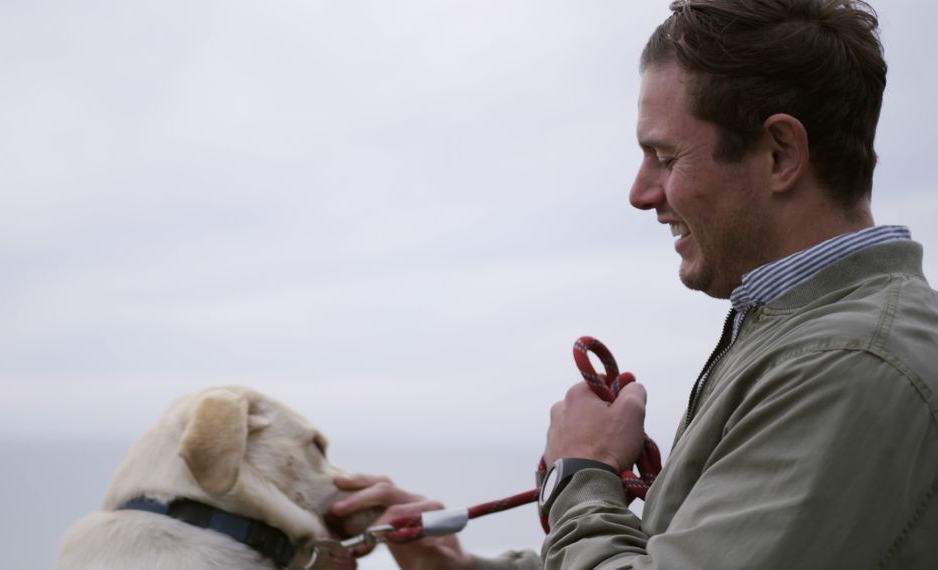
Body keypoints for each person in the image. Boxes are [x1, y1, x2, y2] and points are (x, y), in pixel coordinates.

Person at [330, 0, 938, 568]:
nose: (640, 193)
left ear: (780, 153)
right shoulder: (807, 334)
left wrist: (580, 472)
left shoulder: (848, 362)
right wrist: (462, 566)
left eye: (666, 158)